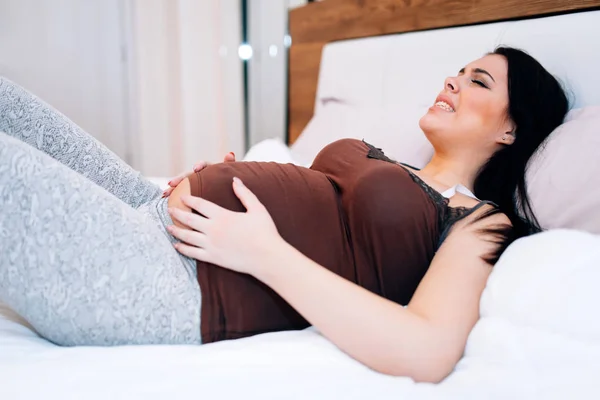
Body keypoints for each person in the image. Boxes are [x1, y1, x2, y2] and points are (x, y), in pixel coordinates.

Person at [0, 46, 568, 383]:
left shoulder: (476, 222)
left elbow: (426, 350)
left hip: (171, 281)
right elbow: (321, 206)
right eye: (459, 71)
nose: (453, 80)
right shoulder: (397, 163)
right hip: (149, 213)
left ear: (510, 128)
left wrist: (263, 253)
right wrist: (217, 180)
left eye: (479, 81)